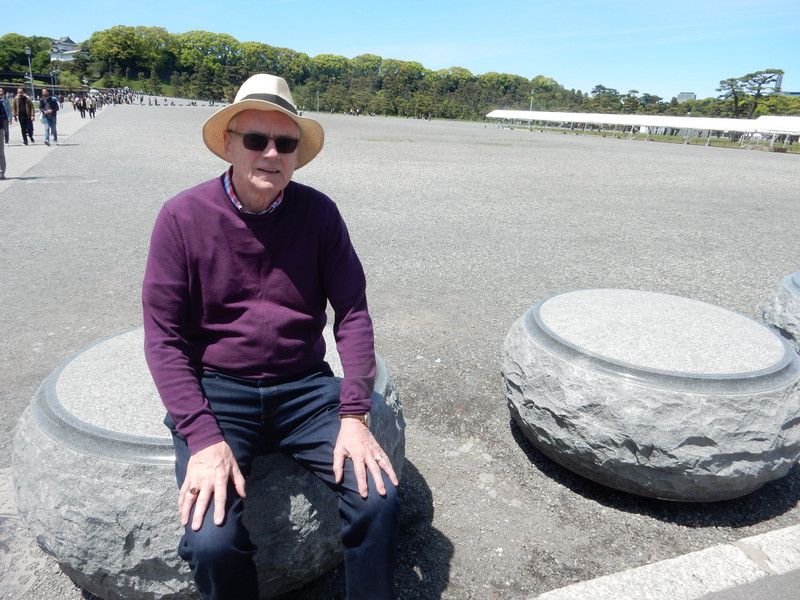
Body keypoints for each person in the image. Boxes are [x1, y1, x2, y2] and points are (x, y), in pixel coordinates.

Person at [142, 73, 400, 600]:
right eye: (256, 140)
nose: (271, 153)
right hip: (219, 389)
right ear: (230, 144)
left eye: (285, 143)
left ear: (297, 154)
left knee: (379, 497)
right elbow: (163, 336)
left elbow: (351, 311)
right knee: (211, 540)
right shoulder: (182, 216)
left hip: (304, 389)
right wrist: (203, 436)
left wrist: (354, 413)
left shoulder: (319, 213)